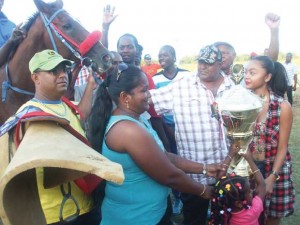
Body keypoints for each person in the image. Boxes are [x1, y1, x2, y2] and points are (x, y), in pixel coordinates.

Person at [87, 64, 227, 225]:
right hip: (135, 217)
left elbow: (165, 156)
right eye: (144, 90)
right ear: (125, 97)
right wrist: (202, 190)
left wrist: (204, 168)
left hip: (149, 213)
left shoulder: (138, 121)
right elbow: (169, 176)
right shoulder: (128, 130)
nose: (149, 95)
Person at [0, 49, 100, 225]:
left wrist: (91, 84)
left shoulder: (67, 107)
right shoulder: (25, 118)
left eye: (64, 70)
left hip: (85, 206)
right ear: (35, 78)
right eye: (53, 71)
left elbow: (81, 114)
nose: (62, 75)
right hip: (53, 215)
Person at [149, 44, 235, 225]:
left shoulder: (232, 87)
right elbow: (148, 100)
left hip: (227, 170)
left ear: (220, 63)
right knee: (194, 219)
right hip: (194, 175)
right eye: (200, 62)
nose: (202, 66)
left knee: (226, 218)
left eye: (209, 63)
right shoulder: (181, 86)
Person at [245, 56, 295, 225]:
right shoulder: (240, 104)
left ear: (267, 77)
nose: (247, 76)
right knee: (248, 216)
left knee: (272, 217)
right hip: (249, 169)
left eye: (252, 72)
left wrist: (272, 178)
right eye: (246, 72)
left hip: (275, 169)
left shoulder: (282, 107)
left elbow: (283, 148)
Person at [152, 44, 191, 215]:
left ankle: (193, 195)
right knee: (172, 162)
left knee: (188, 161)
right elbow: (154, 108)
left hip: (187, 127)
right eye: (159, 55)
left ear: (174, 57)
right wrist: (166, 130)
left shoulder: (186, 76)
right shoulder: (155, 79)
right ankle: (178, 197)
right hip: (165, 128)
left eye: (165, 55)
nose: (161, 58)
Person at [117, 33, 171, 152]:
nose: (125, 50)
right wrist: (105, 28)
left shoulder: (145, 78)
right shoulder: (112, 75)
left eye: (130, 47)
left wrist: (164, 145)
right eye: (122, 47)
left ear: (136, 50)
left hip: (143, 130)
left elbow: (154, 115)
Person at [214, 12, 280, 78]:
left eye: (223, 53)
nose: (220, 56)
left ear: (234, 55)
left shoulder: (244, 71)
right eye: (217, 54)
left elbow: (270, 60)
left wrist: (274, 30)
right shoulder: (209, 75)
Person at [209, 149, 266, 225]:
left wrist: (230, 155)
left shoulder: (223, 212)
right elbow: (262, 184)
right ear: (238, 203)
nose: (252, 191)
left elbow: (220, 182)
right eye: (249, 192)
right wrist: (250, 160)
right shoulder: (253, 210)